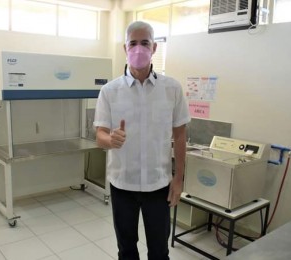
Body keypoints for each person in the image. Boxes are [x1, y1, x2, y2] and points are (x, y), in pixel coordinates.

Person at [93, 21, 191, 260]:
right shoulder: (110, 91)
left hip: (158, 186)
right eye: (133, 43)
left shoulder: (171, 89)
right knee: (126, 250)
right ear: (124, 48)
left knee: (159, 251)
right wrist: (111, 139)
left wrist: (178, 179)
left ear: (154, 47)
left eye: (144, 43)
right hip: (122, 184)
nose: (139, 49)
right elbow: (100, 135)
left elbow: (180, 135)